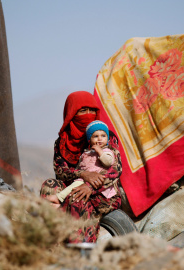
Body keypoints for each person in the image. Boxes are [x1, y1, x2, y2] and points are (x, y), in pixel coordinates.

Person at [40, 91, 122, 243]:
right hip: (73, 185)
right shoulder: (62, 142)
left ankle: (81, 247)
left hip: (102, 190)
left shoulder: (103, 135)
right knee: (49, 185)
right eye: (82, 111)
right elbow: (60, 171)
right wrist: (83, 174)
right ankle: (48, 241)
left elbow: (115, 170)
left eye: (92, 110)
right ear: (72, 113)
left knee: (78, 198)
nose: (88, 114)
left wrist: (90, 187)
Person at [45, 120, 117, 206]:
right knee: (74, 188)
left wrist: (100, 152)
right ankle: (62, 204)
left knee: (76, 188)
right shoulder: (87, 152)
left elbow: (109, 162)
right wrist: (81, 173)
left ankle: (59, 199)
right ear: (89, 140)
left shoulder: (107, 151)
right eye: (96, 136)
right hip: (83, 179)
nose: (100, 139)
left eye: (103, 136)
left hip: (97, 183)